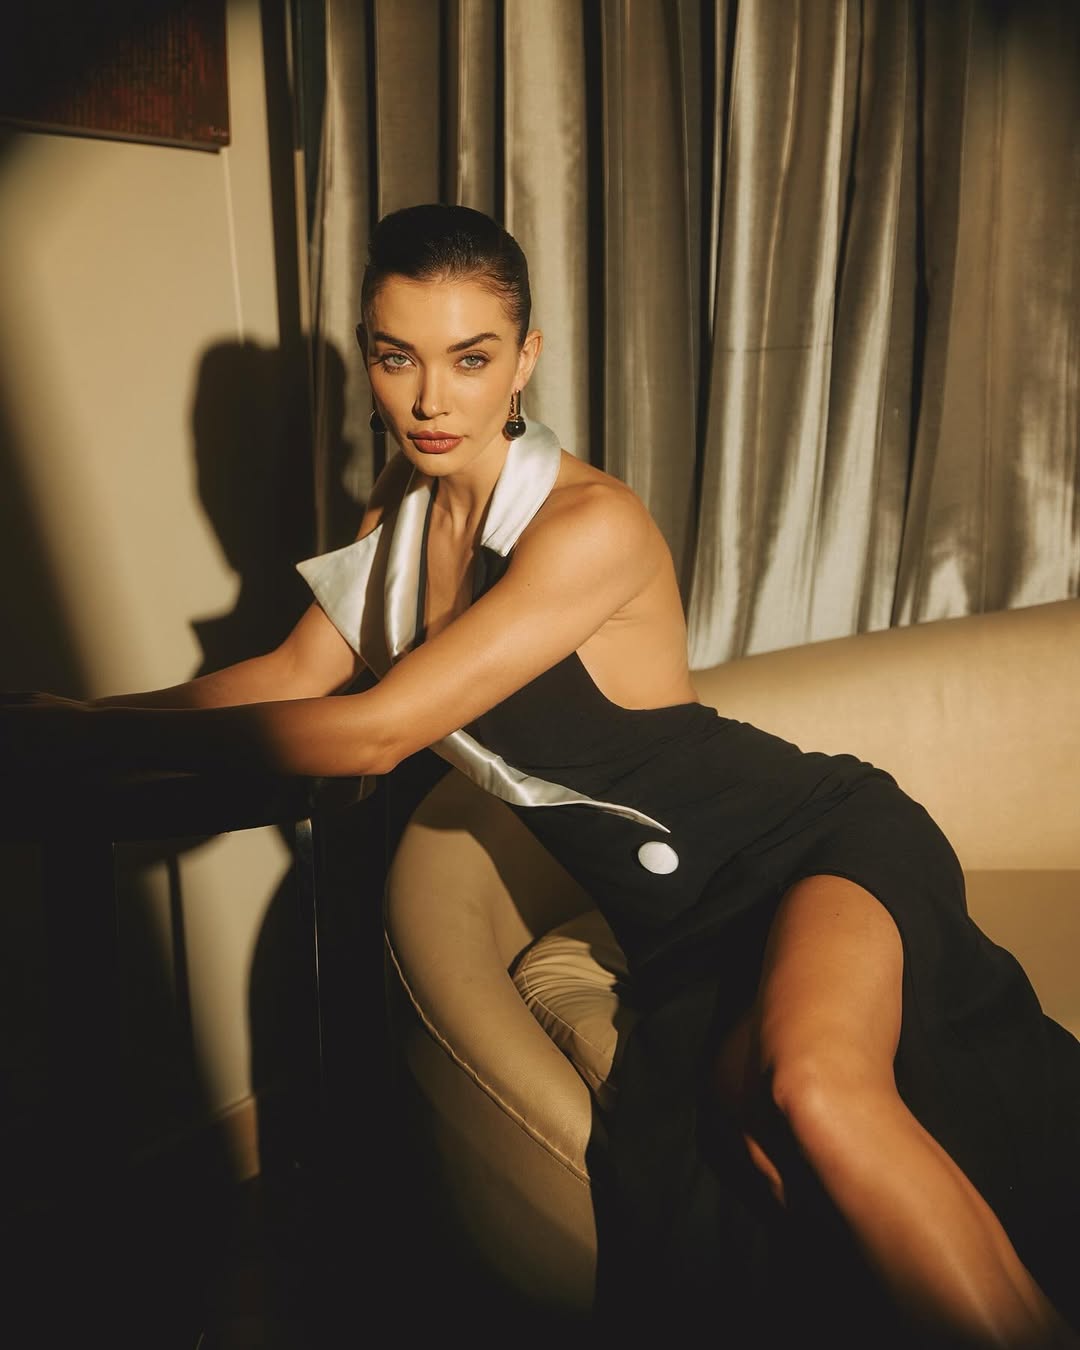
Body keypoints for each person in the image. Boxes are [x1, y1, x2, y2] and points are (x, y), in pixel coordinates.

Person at [4, 203, 1079, 1348]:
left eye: (470, 359)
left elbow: (371, 732)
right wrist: (84, 717)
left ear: (525, 359)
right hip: (681, 933)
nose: (431, 399)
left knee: (815, 1088)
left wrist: (97, 749)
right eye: (397, 357)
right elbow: (289, 672)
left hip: (807, 845)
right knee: (760, 1160)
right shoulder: (397, 513)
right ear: (368, 354)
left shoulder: (587, 525)